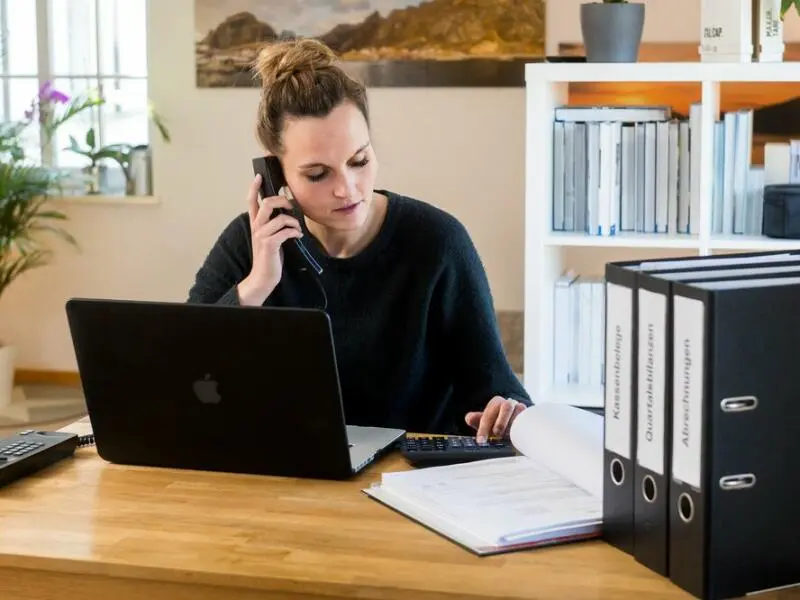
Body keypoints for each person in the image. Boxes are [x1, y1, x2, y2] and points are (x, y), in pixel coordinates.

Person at [187, 37, 531, 442]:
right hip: (289, 474)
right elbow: (186, 371)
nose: (348, 189)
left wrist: (507, 412)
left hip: (410, 479)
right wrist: (256, 286)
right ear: (275, 173)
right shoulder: (250, 242)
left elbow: (496, 387)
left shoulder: (437, 242)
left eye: (359, 161)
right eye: (318, 174)